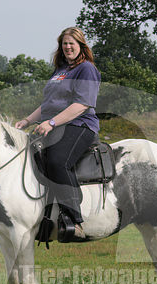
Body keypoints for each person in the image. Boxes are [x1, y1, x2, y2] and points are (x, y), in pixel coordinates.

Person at [15, 27, 101, 240]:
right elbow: (47, 105)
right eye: (64, 44)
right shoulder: (60, 71)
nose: (68, 47)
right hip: (55, 125)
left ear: (81, 45)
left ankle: (74, 220)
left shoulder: (86, 69)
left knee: (57, 161)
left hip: (80, 125)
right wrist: (27, 120)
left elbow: (81, 104)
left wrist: (51, 123)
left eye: (72, 43)